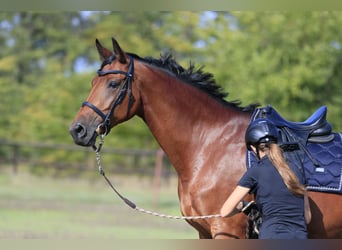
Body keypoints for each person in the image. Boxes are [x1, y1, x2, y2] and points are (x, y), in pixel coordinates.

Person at [220, 118, 311, 239]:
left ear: (254, 148)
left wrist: (242, 206)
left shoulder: (255, 171)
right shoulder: (296, 169)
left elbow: (225, 211)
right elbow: (307, 218)